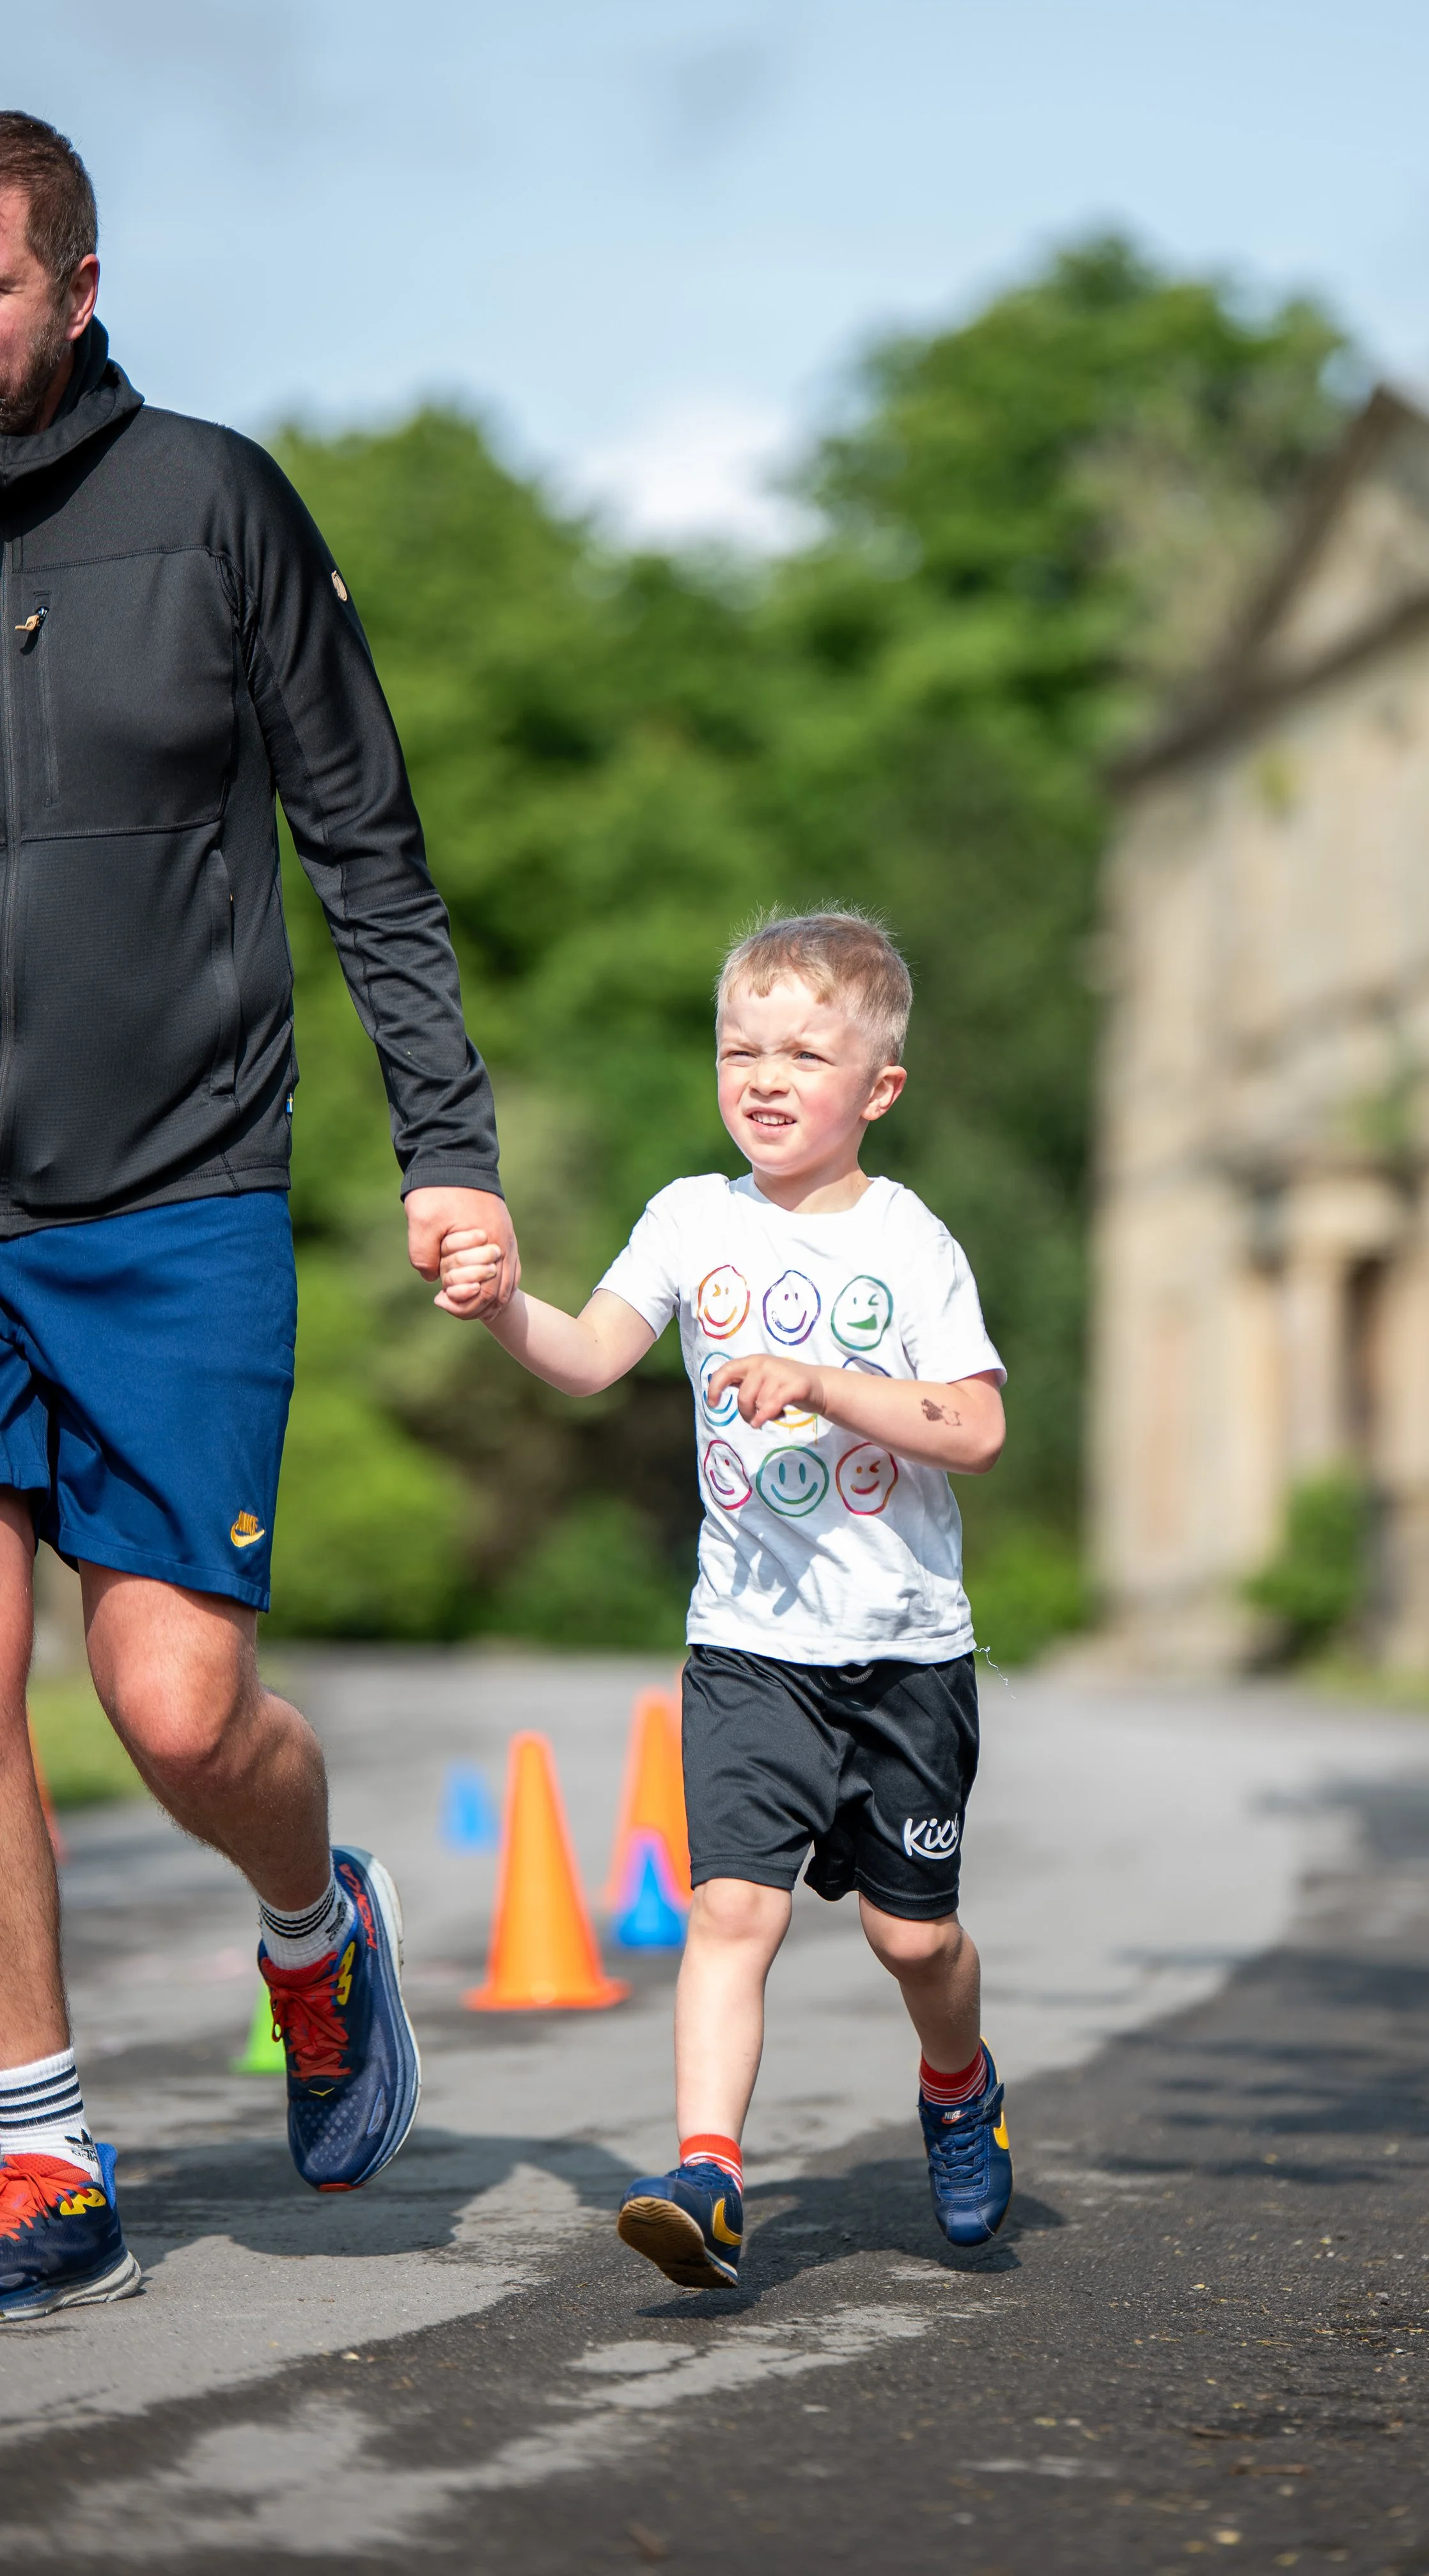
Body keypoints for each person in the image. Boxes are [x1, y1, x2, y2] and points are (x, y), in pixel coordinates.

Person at [0, 113, 517, 2321]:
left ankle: (317, 1927)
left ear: (77, 291)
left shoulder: (212, 499)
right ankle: (41, 2152)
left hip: (174, 1192)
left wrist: (450, 1147)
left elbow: (365, 842)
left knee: (178, 1708)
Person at [441, 909, 1011, 2288]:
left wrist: (818, 1383)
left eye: (802, 1054)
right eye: (736, 1047)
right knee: (730, 1915)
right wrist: (505, 1302)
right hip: (748, 1647)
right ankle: (705, 2173)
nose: (761, 1075)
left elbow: (973, 1428)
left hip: (902, 1654)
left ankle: (957, 2088)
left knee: (911, 1936)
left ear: (875, 1090)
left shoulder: (908, 1241)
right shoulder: (690, 1219)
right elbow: (587, 1357)